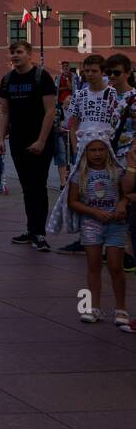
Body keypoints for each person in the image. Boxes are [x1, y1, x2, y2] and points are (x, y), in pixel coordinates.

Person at [64, 130, 128, 327]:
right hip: (91, 224)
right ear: (85, 152)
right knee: (93, 266)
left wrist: (121, 205)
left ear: (108, 151)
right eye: (93, 150)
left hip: (115, 224)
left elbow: (126, 194)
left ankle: (121, 308)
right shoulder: (79, 176)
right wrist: (94, 212)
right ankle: (92, 308)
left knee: (116, 266)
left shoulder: (118, 172)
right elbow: (73, 202)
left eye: (101, 149)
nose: (98, 154)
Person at [0, 40, 58, 251]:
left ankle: (40, 233)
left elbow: (50, 111)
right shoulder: (7, 80)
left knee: (38, 185)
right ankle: (31, 229)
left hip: (41, 140)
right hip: (18, 140)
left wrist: (41, 140)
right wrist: (0, 138)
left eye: (20, 52)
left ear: (29, 55)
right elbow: (4, 111)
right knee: (26, 187)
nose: (15, 55)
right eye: (13, 52)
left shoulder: (42, 77)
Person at [106, 54, 136, 272]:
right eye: (110, 73)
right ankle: (118, 247)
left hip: (129, 155)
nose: (112, 77)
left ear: (127, 73)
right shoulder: (108, 96)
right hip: (110, 155)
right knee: (114, 200)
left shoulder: (134, 98)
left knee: (127, 199)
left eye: (116, 72)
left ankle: (128, 250)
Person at [66, 53, 122, 157]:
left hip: (109, 149)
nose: (90, 74)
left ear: (103, 72)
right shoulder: (79, 95)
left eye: (94, 71)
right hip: (83, 149)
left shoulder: (114, 94)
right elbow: (73, 126)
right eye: (87, 71)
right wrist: (75, 149)